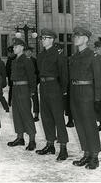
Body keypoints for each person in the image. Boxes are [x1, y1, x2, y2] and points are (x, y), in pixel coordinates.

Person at [69, 27, 101, 169]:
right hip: (75, 92)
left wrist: (98, 99)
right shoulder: (74, 57)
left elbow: (99, 79)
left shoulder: (93, 55)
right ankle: (86, 153)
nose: (75, 38)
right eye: (75, 36)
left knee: (89, 124)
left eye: (79, 36)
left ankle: (94, 156)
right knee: (79, 124)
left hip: (87, 93)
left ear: (86, 39)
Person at [35, 28, 69, 161]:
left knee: (58, 118)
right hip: (43, 87)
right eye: (42, 38)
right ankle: (50, 144)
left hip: (55, 87)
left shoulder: (58, 54)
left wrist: (63, 90)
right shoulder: (41, 55)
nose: (42, 41)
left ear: (51, 40)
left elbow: (63, 74)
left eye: (45, 38)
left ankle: (63, 147)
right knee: (46, 116)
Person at [7, 38, 37, 150]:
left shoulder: (27, 60)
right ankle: (20, 137)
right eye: (14, 47)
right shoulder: (14, 60)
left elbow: (32, 77)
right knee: (16, 113)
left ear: (21, 48)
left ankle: (32, 140)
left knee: (25, 113)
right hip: (15, 88)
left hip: (24, 88)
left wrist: (31, 91)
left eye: (16, 47)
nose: (14, 48)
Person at [53, 42, 74, 128]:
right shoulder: (54, 58)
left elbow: (65, 73)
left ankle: (70, 120)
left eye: (58, 49)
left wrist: (64, 86)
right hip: (56, 83)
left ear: (61, 50)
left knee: (67, 102)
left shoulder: (64, 58)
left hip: (65, 83)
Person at [24, 46, 40, 121]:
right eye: (27, 51)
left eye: (30, 51)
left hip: (33, 82)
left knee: (35, 99)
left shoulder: (35, 61)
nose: (29, 52)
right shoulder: (22, 60)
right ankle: (26, 114)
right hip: (24, 83)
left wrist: (36, 82)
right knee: (25, 99)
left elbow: (37, 72)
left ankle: (36, 114)